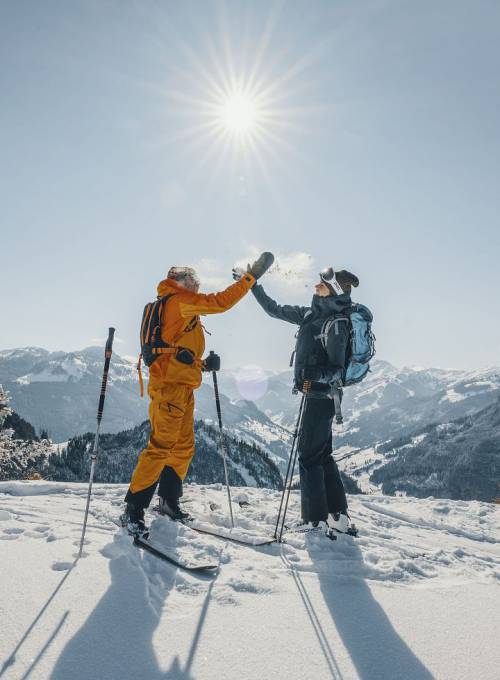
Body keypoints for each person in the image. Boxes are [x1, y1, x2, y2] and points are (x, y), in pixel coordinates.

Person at [122, 253, 274, 535]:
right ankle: (133, 508)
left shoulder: (176, 305)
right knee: (160, 448)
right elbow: (221, 302)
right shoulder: (179, 301)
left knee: (182, 448)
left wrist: (203, 364)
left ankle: (169, 501)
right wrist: (249, 278)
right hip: (170, 389)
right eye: (193, 281)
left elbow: (177, 351)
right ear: (180, 281)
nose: (197, 286)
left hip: (181, 386)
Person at [239, 266, 359, 534]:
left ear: (334, 290)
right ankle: (338, 518)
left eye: (323, 283)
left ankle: (314, 520)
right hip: (315, 394)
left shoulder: (337, 323)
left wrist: (314, 373)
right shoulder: (310, 315)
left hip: (322, 397)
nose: (317, 285)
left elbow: (337, 371)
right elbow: (274, 309)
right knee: (322, 456)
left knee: (308, 457)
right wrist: (252, 284)